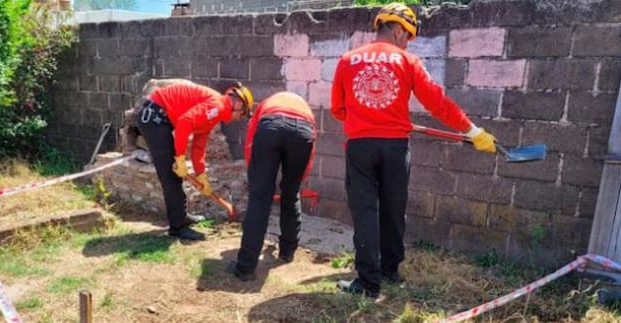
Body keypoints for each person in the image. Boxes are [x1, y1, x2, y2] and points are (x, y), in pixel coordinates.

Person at [330, 2, 497, 298]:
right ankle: (390, 270)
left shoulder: (347, 60)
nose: (408, 42)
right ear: (397, 30)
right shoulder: (408, 62)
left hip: (360, 146)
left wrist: (365, 118)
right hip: (395, 146)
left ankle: (368, 284)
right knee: (394, 207)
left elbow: (338, 109)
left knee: (365, 212)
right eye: (407, 36)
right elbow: (438, 103)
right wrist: (473, 131)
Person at [137, 81, 254, 241]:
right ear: (239, 104)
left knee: (174, 176)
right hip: (154, 118)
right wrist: (180, 158)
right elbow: (185, 123)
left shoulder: (216, 110)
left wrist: (201, 175)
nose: (238, 119)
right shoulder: (218, 106)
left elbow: (199, 146)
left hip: (161, 118)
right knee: (171, 176)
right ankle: (177, 227)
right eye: (242, 114)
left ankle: (181, 216)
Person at [229, 91, 316, 281]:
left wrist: (254, 174)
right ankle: (287, 251)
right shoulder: (305, 109)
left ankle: (245, 267)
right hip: (303, 131)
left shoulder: (266, 105)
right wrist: (300, 178)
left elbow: (251, 137)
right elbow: (311, 147)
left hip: (271, 128)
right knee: (291, 194)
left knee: (260, 198)